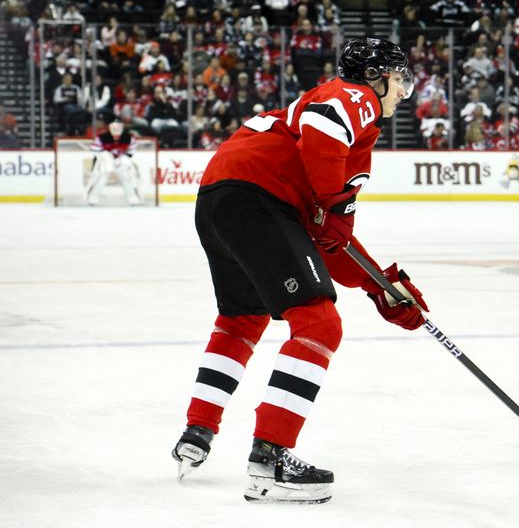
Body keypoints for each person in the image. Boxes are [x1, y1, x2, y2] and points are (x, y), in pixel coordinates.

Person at [171, 37, 425, 505]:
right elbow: (323, 125)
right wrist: (333, 207)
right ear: (376, 77)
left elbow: (328, 239)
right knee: (320, 324)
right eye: (397, 79)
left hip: (221, 198)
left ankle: (198, 429)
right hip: (257, 197)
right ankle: (270, 458)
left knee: (242, 318)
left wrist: (380, 286)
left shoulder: (338, 134)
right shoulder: (353, 97)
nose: (400, 91)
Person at [85, 120, 141, 206]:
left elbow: (131, 151)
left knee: (126, 175)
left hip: (121, 158)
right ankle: (92, 198)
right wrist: (106, 157)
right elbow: (94, 149)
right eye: (114, 134)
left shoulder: (128, 138)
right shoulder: (102, 138)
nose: (116, 137)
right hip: (105, 158)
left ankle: (133, 198)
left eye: (118, 134)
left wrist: (122, 158)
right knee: (104, 173)